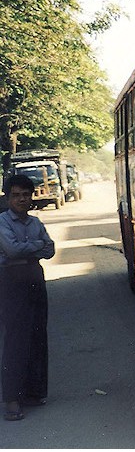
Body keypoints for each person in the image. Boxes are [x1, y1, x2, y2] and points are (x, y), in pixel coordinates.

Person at [0, 174, 55, 421]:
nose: (21, 199)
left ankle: (34, 392)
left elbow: (51, 248)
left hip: (34, 278)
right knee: (16, 338)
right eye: (16, 195)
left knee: (37, 335)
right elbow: (11, 250)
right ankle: (12, 399)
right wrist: (35, 247)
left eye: (25, 195)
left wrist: (27, 248)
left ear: (31, 196)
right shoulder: (2, 222)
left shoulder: (35, 222)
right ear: (8, 197)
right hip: (11, 281)